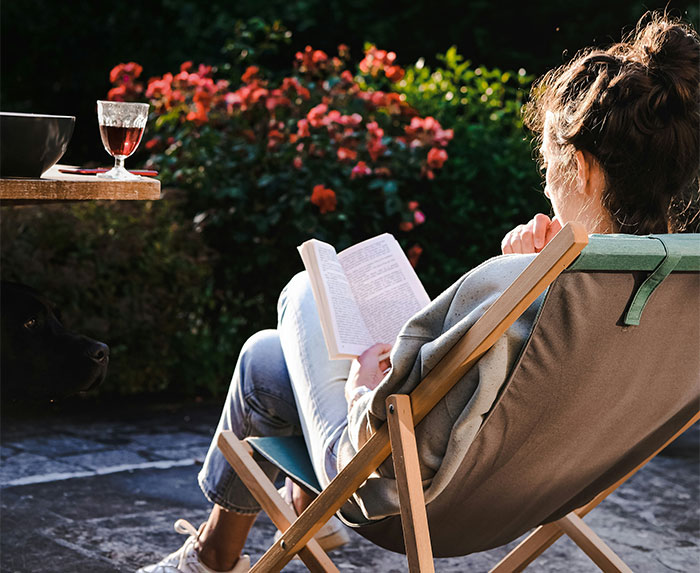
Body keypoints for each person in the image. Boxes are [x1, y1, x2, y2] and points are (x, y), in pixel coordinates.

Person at [138, 12, 699, 573]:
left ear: (575, 165)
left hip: (413, 509)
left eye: (548, 162)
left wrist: (361, 388)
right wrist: (531, 277)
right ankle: (266, 526)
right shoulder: (678, 292)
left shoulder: (527, 287)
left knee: (303, 293)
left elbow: (387, 426)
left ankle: (222, 553)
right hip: (543, 496)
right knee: (264, 358)